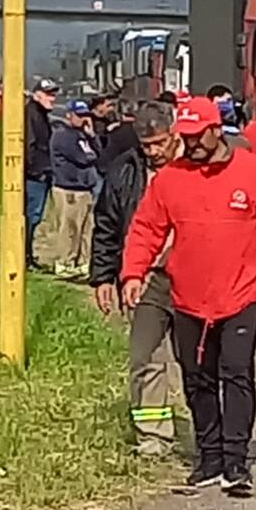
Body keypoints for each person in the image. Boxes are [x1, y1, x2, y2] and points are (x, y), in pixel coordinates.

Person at [121, 97, 256, 494]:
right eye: (186, 137)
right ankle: (209, 456)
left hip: (241, 296)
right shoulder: (171, 178)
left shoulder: (252, 172)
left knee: (236, 374)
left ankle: (236, 461)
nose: (192, 144)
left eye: (198, 135)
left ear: (217, 130)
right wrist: (132, 273)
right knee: (197, 379)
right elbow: (147, 229)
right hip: (189, 298)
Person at [90, 101, 181, 456]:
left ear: (174, 133)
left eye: (161, 142)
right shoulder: (124, 171)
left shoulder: (199, 165)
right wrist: (103, 277)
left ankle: (212, 437)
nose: (155, 151)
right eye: (148, 146)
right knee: (146, 356)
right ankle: (153, 435)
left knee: (199, 361)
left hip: (194, 275)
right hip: (142, 278)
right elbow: (107, 225)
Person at [50, 99, 100, 277]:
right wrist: (91, 155)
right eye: (79, 116)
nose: (83, 119)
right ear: (69, 115)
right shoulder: (63, 135)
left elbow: (98, 154)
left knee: (86, 229)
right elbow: (83, 158)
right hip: (69, 188)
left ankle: (81, 262)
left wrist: (92, 136)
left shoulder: (83, 135)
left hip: (84, 188)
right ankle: (64, 262)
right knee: (69, 229)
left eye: (85, 115)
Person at [24, 78, 58, 268]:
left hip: (40, 174)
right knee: (32, 216)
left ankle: (28, 255)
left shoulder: (41, 114)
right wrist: (36, 171)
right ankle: (25, 256)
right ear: (37, 95)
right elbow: (30, 145)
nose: (52, 98)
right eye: (48, 94)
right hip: (35, 176)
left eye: (53, 94)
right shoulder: (32, 114)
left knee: (35, 217)